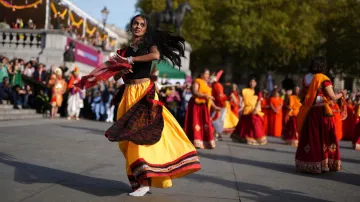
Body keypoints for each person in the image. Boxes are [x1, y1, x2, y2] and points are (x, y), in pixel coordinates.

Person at [80, 14, 201, 197]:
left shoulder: (147, 44)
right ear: (131, 27)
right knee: (126, 141)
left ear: (146, 28)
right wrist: (122, 67)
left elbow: (156, 55)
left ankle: (144, 182)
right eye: (135, 23)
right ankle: (139, 181)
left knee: (140, 135)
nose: (138, 26)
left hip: (144, 93)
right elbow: (114, 76)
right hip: (128, 94)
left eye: (142, 24)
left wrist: (132, 60)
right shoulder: (125, 50)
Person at [296, 57, 346, 173]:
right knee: (325, 138)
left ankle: (309, 163)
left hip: (309, 112)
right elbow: (333, 97)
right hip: (322, 112)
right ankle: (324, 164)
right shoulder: (323, 78)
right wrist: (342, 94)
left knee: (310, 138)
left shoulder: (306, 78)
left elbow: (301, 95)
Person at [185, 69, 220, 149]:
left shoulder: (207, 84)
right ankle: (195, 141)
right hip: (196, 105)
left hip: (204, 106)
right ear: (201, 74)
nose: (208, 76)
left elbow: (210, 98)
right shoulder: (197, 81)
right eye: (206, 74)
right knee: (196, 122)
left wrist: (215, 107)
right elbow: (195, 92)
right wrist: (206, 96)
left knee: (205, 123)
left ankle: (205, 142)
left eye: (208, 74)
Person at [231, 78, 267, 145]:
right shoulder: (245, 91)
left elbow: (259, 101)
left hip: (255, 109)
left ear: (256, 83)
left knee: (256, 124)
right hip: (247, 109)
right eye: (251, 82)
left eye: (253, 82)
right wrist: (241, 107)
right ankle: (246, 138)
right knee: (244, 125)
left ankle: (257, 139)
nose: (252, 83)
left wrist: (256, 109)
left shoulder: (258, 92)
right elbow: (243, 101)